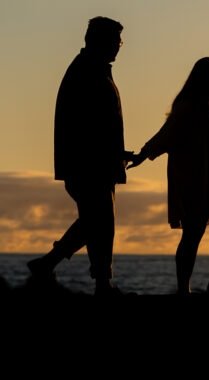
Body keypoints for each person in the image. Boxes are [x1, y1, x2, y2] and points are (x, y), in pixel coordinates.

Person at [28, 16, 134, 295]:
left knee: (96, 222)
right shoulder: (88, 71)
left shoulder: (92, 69)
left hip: (95, 163)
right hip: (89, 166)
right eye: (116, 41)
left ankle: (56, 266)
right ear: (100, 41)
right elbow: (87, 124)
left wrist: (117, 153)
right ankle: (98, 282)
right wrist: (110, 154)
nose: (119, 47)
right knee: (99, 222)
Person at [128, 57, 209, 296]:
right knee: (194, 232)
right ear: (205, 79)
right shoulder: (189, 106)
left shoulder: (208, 107)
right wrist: (144, 153)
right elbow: (167, 134)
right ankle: (185, 289)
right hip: (194, 180)